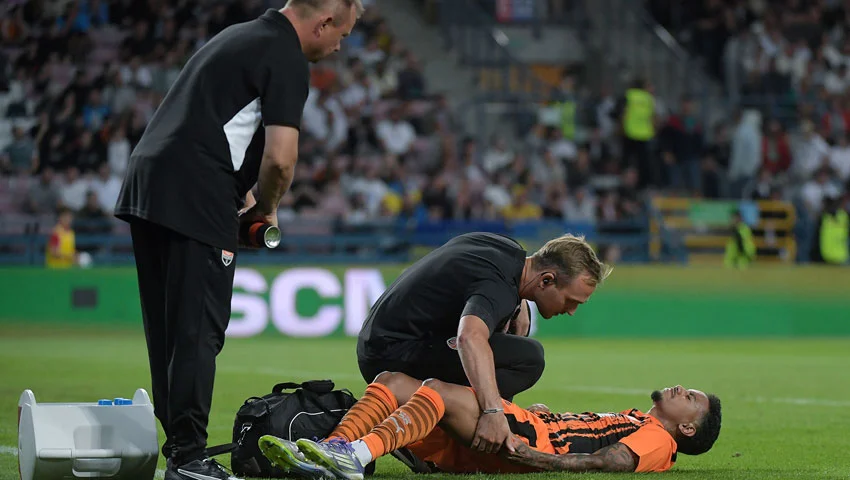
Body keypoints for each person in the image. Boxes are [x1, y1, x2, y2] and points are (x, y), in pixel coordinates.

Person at [113, 1, 363, 479]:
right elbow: (281, 159)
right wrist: (266, 208)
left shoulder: (238, 37)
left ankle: (181, 450)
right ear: (324, 22)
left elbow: (213, 129)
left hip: (150, 184)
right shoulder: (286, 55)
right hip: (195, 192)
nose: (338, 47)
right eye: (343, 35)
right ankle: (189, 459)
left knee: (168, 332)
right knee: (197, 331)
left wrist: (241, 196)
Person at [355, 232, 611, 455]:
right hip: (390, 354)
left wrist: (518, 304)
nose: (572, 311)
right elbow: (469, 337)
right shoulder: (499, 287)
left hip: (385, 339)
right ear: (546, 280)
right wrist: (492, 412)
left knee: (510, 340)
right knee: (529, 358)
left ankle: (442, 417)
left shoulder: (508, 251)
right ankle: (434, 416)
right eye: (571, 300)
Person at [257, 372, 722, 479]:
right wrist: (546, 413)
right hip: (532, 427)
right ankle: (330, 449)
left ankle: (354, 458)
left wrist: (534, 456)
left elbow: (609, 461)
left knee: (439, 391)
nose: (683, 389)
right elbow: (588, 435)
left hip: (526, 443)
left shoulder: (659, 441)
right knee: (393, 382)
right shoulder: (638, 419)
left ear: (687, 430)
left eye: (692, 399)